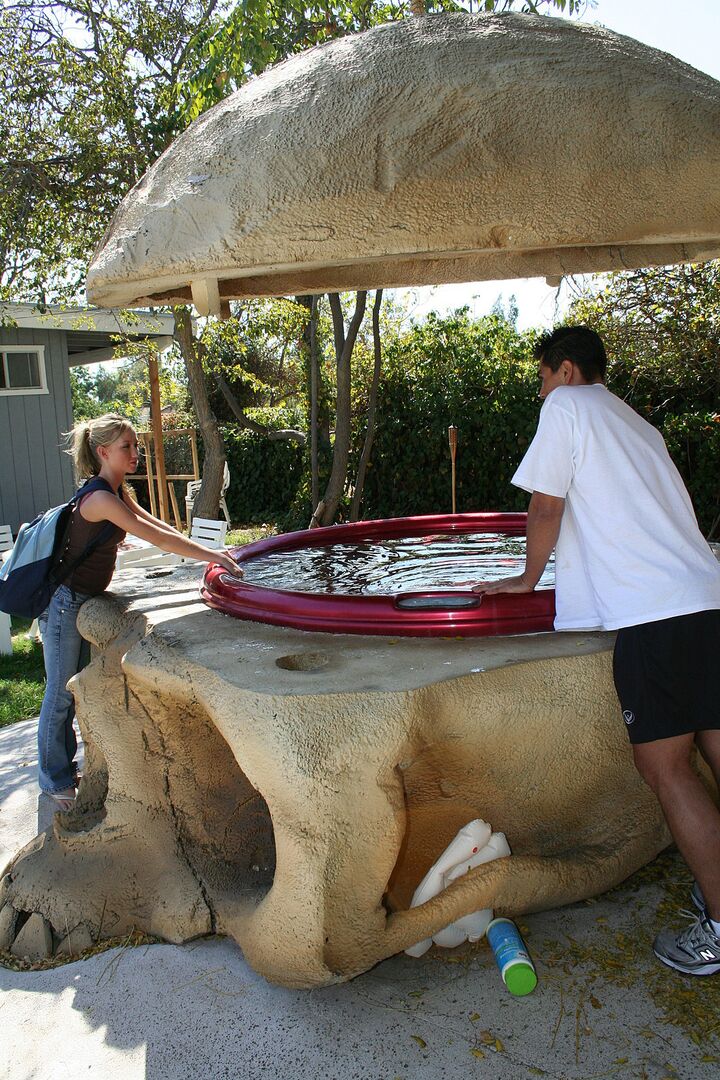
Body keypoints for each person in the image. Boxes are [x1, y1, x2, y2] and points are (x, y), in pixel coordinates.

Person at [472, 326, 720, 977]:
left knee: (668, 771)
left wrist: (525, 581)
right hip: (705, 599)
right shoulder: (635, 422)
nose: (540, 392)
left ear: (565, 370)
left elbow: (546, 505)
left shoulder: (569, 407)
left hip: (653, 616)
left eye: (541, 378)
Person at [38, 414, 243, 811]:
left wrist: (213, 553)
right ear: (103, 452)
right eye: (126, 447)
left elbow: (160, 528)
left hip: (77, 600)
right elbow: (151, 537)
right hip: (64, 604)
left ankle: (64, 768)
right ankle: (54, 780)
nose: (136, 453)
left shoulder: (117, 492)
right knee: (59, 692)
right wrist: (211, 554)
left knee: (70, 689)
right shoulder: (99, 498)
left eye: (136, 445)